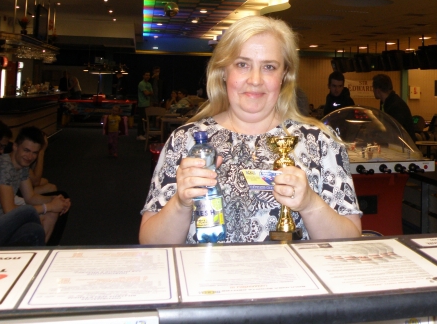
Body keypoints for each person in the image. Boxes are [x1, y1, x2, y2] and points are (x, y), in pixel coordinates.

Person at [139, 15, 362, 245]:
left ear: (284, 76)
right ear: (223, 71)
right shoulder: (184, 142)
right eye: (242, 64)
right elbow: (150, 244)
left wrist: (310, 204)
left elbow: (350, 244)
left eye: (269, 67)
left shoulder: (321, 143)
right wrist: (180, 203)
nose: (255, 80)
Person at [0, 127, 70, 245]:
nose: (29, 157)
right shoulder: (4, 166)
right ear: (15, 146)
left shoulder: (22, 166)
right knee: (35, 224)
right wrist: (49, 206)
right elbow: (9, 210)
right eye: (26, 150)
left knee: (40, 222)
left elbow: (30, 197)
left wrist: (55, 200)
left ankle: (42, 250)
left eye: (34, 153)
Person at [372, 73, 415, 140]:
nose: (373, 91)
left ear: (378, 90)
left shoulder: (396, 106)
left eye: (373, 88)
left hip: (403, 144)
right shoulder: (385, 103)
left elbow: (394, 130)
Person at [136, 71, 153, 141]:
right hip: (142, 104)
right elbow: (146, 93)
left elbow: (152, 93)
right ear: (143, 76)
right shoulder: (141, 83)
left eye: (149, 75)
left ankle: (146, 133)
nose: (148, 76)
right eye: (146, 75)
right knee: (141, 120)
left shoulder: (149, 84)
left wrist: (148, 92)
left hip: (148, 104)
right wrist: (148, 92)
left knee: (146, 120)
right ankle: (139, 134)